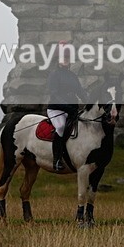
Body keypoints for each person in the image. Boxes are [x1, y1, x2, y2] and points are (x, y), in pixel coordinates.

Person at [46, 41, 87, 171]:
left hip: (72, 109)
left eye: (68, 58)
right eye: (63, 58)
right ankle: (57, 160)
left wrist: (89, 102)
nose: (66, 60)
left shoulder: (73, 76)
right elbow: (54, 94)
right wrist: (67, 106)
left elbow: (80, 91)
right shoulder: (54, 75)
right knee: (61, 127)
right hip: (57, 108)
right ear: (58, 59)